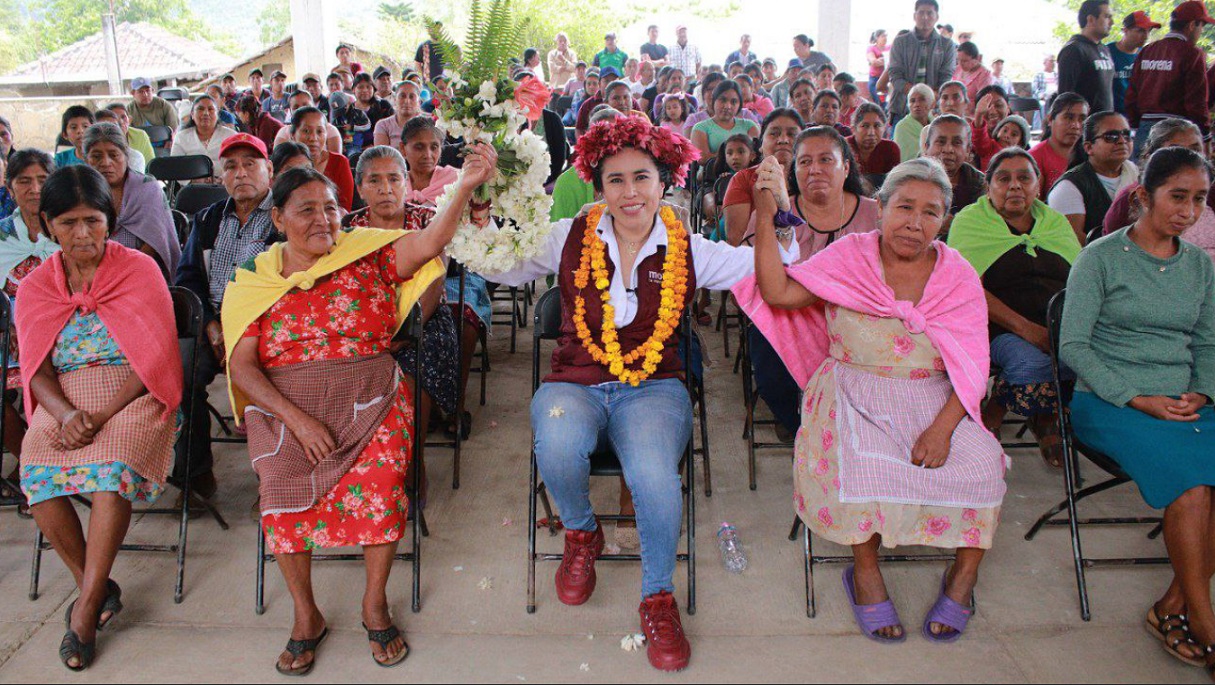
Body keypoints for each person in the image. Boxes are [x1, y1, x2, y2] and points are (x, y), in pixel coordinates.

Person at [480, 114, 797, 672]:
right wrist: (475, 197)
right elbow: (496, 265)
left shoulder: (688, 247)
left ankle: (657, 597)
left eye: (642, 177)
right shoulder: (568, 237)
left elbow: (775, 266)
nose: (630, 193)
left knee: (652, 474)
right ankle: (581, 533)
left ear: (663, 181)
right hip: (576, 381)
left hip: (653, 387)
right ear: (597, 188)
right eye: (616, 180)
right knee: (554, 442)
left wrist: (779, 207)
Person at [223, 145, 493, 674]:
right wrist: (296, 420)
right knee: (279, 493)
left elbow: (433, 241)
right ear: (277, 219)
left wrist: (464, 186)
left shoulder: (366, 251)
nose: (322, 219)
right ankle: (306, 615)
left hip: (370, 396)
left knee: (382, 487)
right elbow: (243, 369)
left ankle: (374, 601)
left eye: (329, 207)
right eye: (305, 210)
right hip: (285, 410)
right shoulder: (254, 280)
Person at [735, 156, 1007, 644]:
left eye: (931, 212)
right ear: (880, 208)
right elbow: (775, 291)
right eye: (904, 207)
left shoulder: (957, 274)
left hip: (936, 398)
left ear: (945, 218)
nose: (915, 222)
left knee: (986, 464)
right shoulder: (850, 257)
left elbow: (973, 363)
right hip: (852, 389)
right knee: (865, 466)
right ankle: (865, 572)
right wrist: (765, 204)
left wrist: (943, 428)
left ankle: (963, 577)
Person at [17, 165, 181, 671]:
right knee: (37, 476)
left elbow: (152, 357)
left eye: (92, 219)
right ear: (47, 224)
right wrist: (66, 414)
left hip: (134, 393)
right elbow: (34, 369)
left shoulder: (137, 269)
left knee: (110, 474)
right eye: (68, 223)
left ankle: (86, 608)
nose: (82, 233)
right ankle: (98, 583)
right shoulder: (35, 285)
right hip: (62, 398)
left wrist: (103, 413)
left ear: (110, 220)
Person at [1059, 146, 1215, 674]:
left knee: (1204, 481)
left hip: (1183, 400)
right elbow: (1074, 346)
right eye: (1177, 197)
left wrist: (1207, 392)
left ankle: (1171, 605)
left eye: (1199, 199)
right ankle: (1206, 620)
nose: (1188, 211)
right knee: (1193, 487)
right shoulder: (1100, 258)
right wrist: (1137, 397)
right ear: (1145, 196)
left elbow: (1210, 344)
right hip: (1109, 400)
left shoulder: (1199, 267)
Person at [948, 149, 1082, 466]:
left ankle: (1028, 411)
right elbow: (968, 291)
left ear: (1039, 185)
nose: (1014, 186)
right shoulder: (971, 223)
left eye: (1024, 177)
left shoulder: (1055, 223)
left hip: (1057, 324)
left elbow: (1080, 281)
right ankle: (1010, 412)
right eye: (1003, 178)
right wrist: (1028, 330)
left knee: (1081, 361)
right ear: (988, 186)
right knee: (1031, 363)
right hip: (997, 328)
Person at [174, 133, 277, 499]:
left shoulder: (283, 218)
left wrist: (243, 329)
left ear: (270, 170)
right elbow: (186, 279)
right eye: (231, 166)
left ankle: (276, 481)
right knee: (179, 379)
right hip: (212, 323)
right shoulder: (207, 219)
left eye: (250, 163)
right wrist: (210, 324)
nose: (240, 173)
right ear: (220, 177)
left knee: (278, 383)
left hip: (268, 328)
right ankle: (196, 474)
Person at [343, 146, 466, 444]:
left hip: (422, 319)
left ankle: (413, 460)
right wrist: (372, 330)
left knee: (416, 369)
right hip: (362, 322)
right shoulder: (347, 228)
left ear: (406, 183)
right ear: (360, 188)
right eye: (374, 181)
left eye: (394, 179)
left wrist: (404, 331)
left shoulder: (427, 220)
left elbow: (435, 281)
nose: (386, 189)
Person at [1103, 118, 1215, 261]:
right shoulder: (1129, 200)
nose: (1187, 159)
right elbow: (1114, 256)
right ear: (1151, 157)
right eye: (1175, 151)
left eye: (1195, 151)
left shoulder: (1211, 193)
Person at [82, 123, 179, 279]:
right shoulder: (80, 193)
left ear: (126, 156)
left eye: (114, 155)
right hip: (92, 274)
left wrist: (122, 275)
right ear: (86, 159)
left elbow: (154, 243)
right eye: (96, 156)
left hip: (141, 272)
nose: (106, 163)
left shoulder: (147, 188)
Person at [1125, 1, 1214, 158]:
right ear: (1193, 25)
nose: (1201, 32)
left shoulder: (1148, 50)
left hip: (1144, 130)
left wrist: (1134, 128)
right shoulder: (1192, 54)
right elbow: (1196, 102)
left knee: (1142, 179)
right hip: (1176, 132)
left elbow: (1132, 95)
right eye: (1202, 27)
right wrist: (1205, 137)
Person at [1048, 111, 1136, 243]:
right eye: (1111, 136)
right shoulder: (1068, 187)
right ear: (1089, 147)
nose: (1122, 141)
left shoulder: (1134, 173)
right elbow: (1073, 239)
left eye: (1127, 135)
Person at [723, 109, 804, 247]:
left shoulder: (813, 179)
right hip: (754, 261)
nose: (783, 140)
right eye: (774, 133)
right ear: (761, 144)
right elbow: (736, 241)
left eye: (792, 134)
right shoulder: (743, 179)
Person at [886, 0, 958, 124]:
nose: (925, 17)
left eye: (930, 13)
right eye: (921, 13)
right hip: (902, 108)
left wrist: (928, 98)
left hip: (933, 110)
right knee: (899, 143)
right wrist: (917, 97)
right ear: (915, 16)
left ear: (937, 17)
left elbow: (946, 78)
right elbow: (895, 75)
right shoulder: (900, 42)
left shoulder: (947, 45)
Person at [923, 114, 985, 234]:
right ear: (926, 147)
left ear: (968, 150)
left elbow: (984, 225)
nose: (948, 149)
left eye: (957, 143)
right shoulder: (908, 178)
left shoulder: (979, 183)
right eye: (940, 142)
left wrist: (957, 224)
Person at [290, 107, 354, 212]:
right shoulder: (286, 164)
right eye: (306, 131)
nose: (313, 138)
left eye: (319, 131)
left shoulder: (339, 162)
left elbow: (344, 209)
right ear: (293, 135)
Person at [1057, 0, 1116, 114]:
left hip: (1104, 123)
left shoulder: (1105, 49)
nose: (1112, 22)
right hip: (1084, 125)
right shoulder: (1073, 50)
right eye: (1107, 17)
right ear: (1091, 19)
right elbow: (1065, 97)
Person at [1029, 92, 1089, 200]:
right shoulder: (1035, 157)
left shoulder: (1090, 153)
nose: (1076, 125)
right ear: (1050, 119)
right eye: (1069, 118)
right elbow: (1034, 206)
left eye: (1082, 119)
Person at [691, 81, 759, 160]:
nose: (727, 106)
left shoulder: (750, 126)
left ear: (739, 105)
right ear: (714, 101)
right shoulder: (700, 128)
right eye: (723, 100)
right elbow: (703, 159)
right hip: (711, 172)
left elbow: (756, 156)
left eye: (733, 102)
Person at [1108, 11, 1159, 116]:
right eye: (1140, 31)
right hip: (1111, 116)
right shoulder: (1106, 52)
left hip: (1137, 117)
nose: (1146, 36)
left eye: (1148, 31)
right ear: (1125, 30)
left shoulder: (1147, 55)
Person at [333, 72, 394, 159]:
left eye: (368, 87)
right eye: (360, 87)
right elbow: (344, 134)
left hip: (381, 150)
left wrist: (374, 146)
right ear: (353, 89)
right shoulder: (347, 111)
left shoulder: (383, 106)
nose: (365, 90)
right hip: (354, 151)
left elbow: (392, 129)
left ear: (373, 89)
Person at [171, 95, 238, 173]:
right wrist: (194, 180)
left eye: (211, 109)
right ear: (192, 114)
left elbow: (236, 165)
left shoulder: (231, 136)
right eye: (200, 109)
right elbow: (175, 167)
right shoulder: (181, 137)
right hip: (191, 184)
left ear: (217, 115)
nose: (206, 113)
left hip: (225, 183)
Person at [272, 90, 343, 154]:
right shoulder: (284, 132)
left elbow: (335, 161)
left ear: (314, 107)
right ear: (289, 111)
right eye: (296, 107)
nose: (301, 109)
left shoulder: (330, 130)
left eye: (305, 105)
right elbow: (279, 162)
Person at [847, 103, 901, 176]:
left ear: (884, 128)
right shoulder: (844, 147)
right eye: (865, 126)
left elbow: (894, 182)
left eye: (877, 126)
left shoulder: (890, 148)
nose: (871, 132)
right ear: (853, 129)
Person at [373, 80, 424, 152]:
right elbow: (381, 157)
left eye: (412, 97)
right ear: (394, 99)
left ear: (419, 102)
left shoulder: (428, 124)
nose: (407, 101)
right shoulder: (383, 125)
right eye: (402, 96)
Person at [92, 110, 146, 175]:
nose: (106, 163)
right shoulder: (86, 157)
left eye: (113, 128)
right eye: (97, 156)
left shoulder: (134, 157)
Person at [893, 83, 934, 162]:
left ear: (932, 104)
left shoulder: (936, 125)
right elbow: (903, 159)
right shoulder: (902, 127)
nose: (917, 104)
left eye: (922, 99)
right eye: (912, 101)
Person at [951, 42, 993, 113]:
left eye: (965, 61)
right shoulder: (957, 70)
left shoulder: (984, 74)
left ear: (976, 58)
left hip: (972, 114)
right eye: (958, 60)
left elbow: (983, 100)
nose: (961, 64)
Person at [1031, 55, 1059, 130]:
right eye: (1051, 61)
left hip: (1055, 98)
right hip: (1043, 98)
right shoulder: (1039, 75)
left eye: (1054, 61)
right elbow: (1034, 89)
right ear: (1045, 62)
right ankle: (1040, 129)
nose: (1053, 63)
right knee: (1042, 105)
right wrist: (1041, 96)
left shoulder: (1057, 75)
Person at [868, 30, 890, 104]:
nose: (885, 38)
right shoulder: (871, 48)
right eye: (883, 36)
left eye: (886, 36)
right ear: (877, 38)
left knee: (887, 102)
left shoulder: (890, 48)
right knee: (880, 102)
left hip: (887, 79)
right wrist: (886, 60)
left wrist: (881, 60)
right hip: (875, 79)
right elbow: (873, 62)